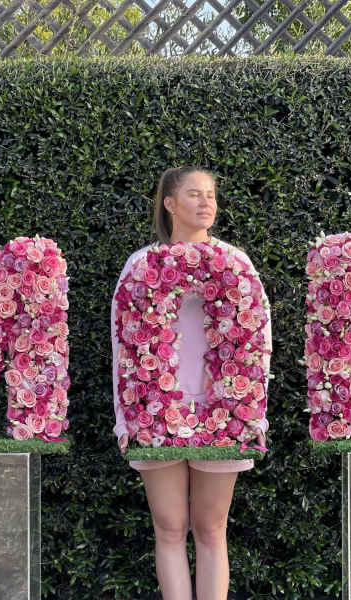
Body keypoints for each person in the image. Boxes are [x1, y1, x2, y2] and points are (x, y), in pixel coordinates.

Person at [110, 165, 272, 600]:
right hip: (155, 410)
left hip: (223, 412)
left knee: (211, 528)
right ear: (170, 203)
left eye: (211, 195)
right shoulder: (142, 264)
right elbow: (121, 345)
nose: (206, 203)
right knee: (169, 527)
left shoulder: (236, 263)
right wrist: (125, 419)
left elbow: (261, 342)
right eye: (195, 194)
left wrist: (254, 414)